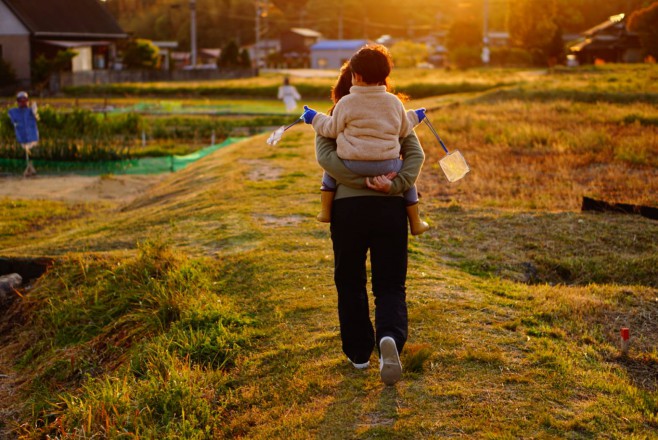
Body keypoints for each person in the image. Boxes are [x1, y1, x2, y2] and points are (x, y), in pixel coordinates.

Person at [314, 50, 427, 385]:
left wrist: (357, 181)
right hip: (390, 208)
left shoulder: (340, 110)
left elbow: (327, 158)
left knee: (350, 281)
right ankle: (389, 337)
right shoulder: (394, 110)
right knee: (390, 283)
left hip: (347, 210)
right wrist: (393, 186)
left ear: (353, 78)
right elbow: (415, 154)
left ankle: (359, 354)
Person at [302, 45, 429, 235]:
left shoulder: (345, 103)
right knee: (410, 184)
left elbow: (330, 129)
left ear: (357, 76)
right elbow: (404, 129)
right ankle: (416, 221)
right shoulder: (394, 103)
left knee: (329, 173)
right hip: (389, 168)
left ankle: (325, 211)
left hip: (352, 166)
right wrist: (415, 117)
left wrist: (314, 118)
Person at [8, 91, 39, 177]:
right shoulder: (13, 112)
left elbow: (36, 116)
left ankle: (32, 169)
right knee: (24, 154)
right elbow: (13, 120)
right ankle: (27, 169)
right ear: (17, 101)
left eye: (24, 100)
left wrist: (34, 111)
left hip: (32, 137)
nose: (22, 102)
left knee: (33, 153)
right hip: (21, 137)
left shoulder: (31, 110)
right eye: (20, 100)